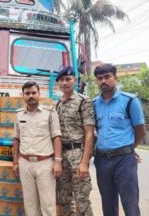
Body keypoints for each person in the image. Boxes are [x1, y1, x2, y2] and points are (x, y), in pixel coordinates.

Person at [93, 63, 145, 216]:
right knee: (108, 204)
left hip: (124, 160)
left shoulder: (130, 101)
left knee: (130, 203)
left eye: (107, 77)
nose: (103, 81)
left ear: (115, 77)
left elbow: (140, 131)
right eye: (100, 78)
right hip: (101, 159)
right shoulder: (93, 104)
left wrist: (130, 149)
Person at [12, 81, 62, 216]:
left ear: (39, 94)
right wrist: (15, 162)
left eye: (34, 93)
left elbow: (56, 136)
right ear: (23, 96)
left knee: (48, 205)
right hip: (25, 164)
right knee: (29, 205)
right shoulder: (19, 114)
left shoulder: (50, 112)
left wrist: (57, 161)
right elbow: (16, 139)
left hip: (45, 164)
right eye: (27, 93)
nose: (31, 96)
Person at [55, 67, 95, 216]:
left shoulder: (83, 101)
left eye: (68, 79)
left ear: (75, 81)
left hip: (78, 154)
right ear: (58, 83)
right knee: (64, 199)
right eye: (61, 80)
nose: (64, 83)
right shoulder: (57, 104)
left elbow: (89, 133)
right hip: (62, 156)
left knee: (82, 199)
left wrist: (84, 162)